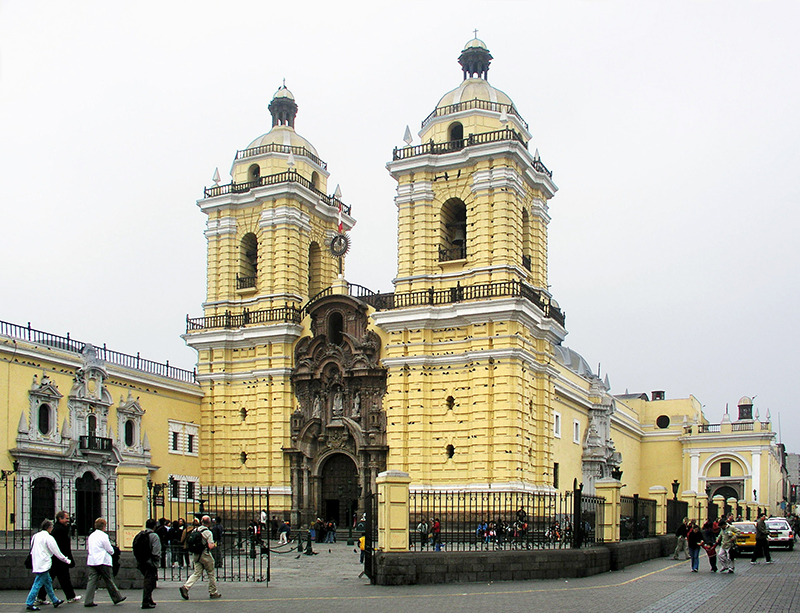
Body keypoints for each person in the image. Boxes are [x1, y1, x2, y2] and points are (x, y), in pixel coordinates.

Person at [25, 518, 71, 611]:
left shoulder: (35, 536)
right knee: (38, 583)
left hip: (37, 561)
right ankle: (29, 602)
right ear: (49, 528)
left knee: (48, 582)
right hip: (44, 563)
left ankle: (55, 600)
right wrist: (66, 560)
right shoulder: (48, 537)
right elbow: (56, 551)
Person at [36, 510, 79, 605]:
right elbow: (63, 546)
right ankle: (70, 596)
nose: (68, 520)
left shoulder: (59, 528)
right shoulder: (60, 530)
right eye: (66, 518)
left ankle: (41, 597)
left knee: (54, 578)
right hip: (59, 559)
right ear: (60, 518)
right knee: (62, 578)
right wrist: (68, 559)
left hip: (56, 559)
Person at [84, 517, 126, 607]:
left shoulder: (91, 536)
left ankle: (88, 600)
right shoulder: (103, 536)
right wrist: (113, 552)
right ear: (104, 526)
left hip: (92, 561)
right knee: (109, 580)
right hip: (103, 561)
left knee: (92, 581)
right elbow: (110, 550)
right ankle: (117, 597)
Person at [179, 515, 221, 600]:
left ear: (201, 522)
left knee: (197, 573)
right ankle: (213, 592)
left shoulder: (195, 530)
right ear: (209, 523)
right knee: (211, 573)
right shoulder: (208, 532)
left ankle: (186, 587)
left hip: (196, 555)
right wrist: (215, 544)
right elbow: (210, 545)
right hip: (205, 554)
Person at [134, 518, 161, 609]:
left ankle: (149, 599)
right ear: (154, 526)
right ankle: (145, 601)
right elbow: (156, 551)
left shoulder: (141, 534)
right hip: (150, 562)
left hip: (142, 561)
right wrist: (156, 560)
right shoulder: (154, 536)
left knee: (149, 580)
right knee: (149, 582)